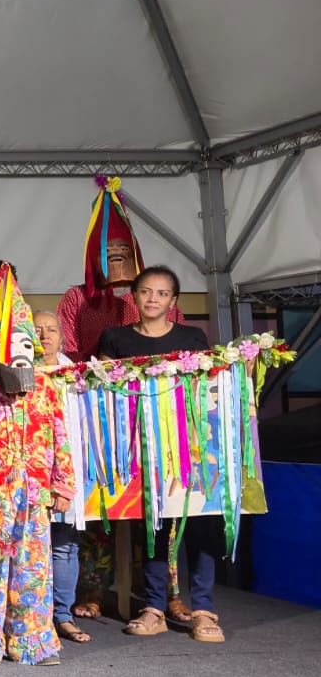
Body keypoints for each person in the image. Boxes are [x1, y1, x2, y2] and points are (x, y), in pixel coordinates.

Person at [98, 266, 223, 642]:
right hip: (142, 447)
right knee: (154, 525)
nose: (153, 299)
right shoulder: (115, 338)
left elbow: (210, 390)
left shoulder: (193, 337)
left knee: (202, 522)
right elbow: (104, 392)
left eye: (162, 293)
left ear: (174, 301)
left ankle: (202, 609)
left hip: (192, 448)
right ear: (133, 296)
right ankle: (154, 608)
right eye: (146, 291)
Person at [0, 266, 73, 666]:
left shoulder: (43, 385)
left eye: (27, 345)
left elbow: (60, 435)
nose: (23, 354)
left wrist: (63, 484)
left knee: (33, 564)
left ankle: (31, 637)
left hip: (34, 492)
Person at [56, 179, 183, 360]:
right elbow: (67, 351)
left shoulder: (153, 296)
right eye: (106, 251)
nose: (116, 255)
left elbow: (179, 342)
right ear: (94, 257)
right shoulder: (77, 299)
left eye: (123, 249)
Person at [36, 310, 90, 646]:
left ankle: (63, 616)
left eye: (51, 329)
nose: (45, 336)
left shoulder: (78, 376)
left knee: (65, 546)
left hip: (68, 470)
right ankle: (34, 617)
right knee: (30, 548)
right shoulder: (14, 374)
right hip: (30, 471)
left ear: (62, 336)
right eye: (37, 330)